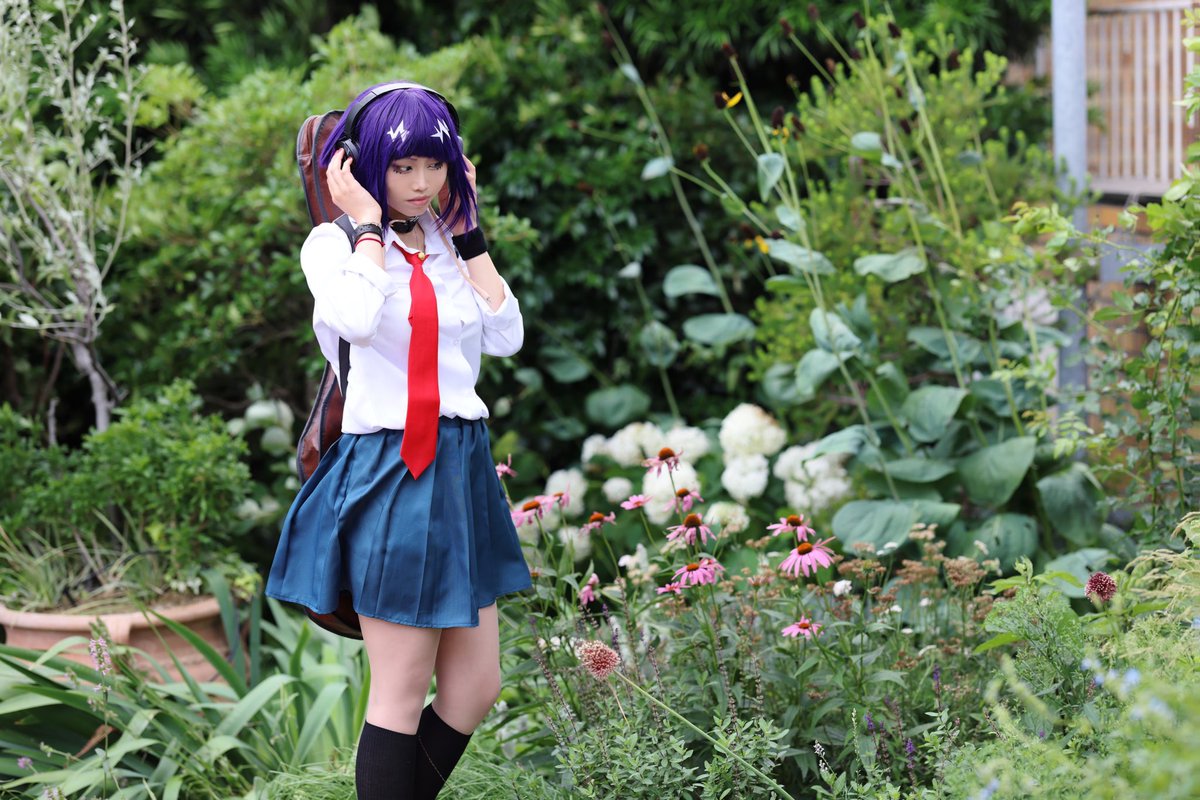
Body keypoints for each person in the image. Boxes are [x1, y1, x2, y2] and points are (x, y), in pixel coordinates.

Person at [265, 82, 532, 800]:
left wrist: (470, 235)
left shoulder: (448, 242)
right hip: (393, 469)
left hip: (463, 466)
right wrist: (366, 229)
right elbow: (353, 320)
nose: (421, 183)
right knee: (401, 691)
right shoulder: (332, 247)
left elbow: (506, 336)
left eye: (434, 165)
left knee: (476, 686)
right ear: (360, 166)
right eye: (403, 166)